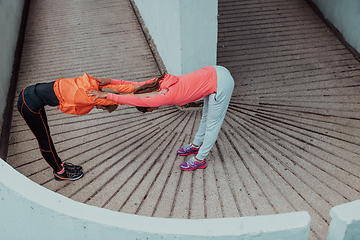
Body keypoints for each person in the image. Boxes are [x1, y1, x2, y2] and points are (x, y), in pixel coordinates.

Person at [87, 66, 234, 171]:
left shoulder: (162, 96)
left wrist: (106, 95)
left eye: (150, 109)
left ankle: (199, 160)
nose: (154, 109)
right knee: (206, 117)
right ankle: (196, 145)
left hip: (221, 84)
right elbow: (135, 86)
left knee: (212, 124)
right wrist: (108, 81)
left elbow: (133, 99)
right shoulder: (158, 84)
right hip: (214, 72)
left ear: (149, 105)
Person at [17, 73, 138, 181]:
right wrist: (150, 96)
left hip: (29, 93)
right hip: (28, 105)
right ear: (104, 104)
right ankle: (60, 172)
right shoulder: (92, 97)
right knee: (45, 140)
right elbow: (122, 100)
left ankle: (60, 164)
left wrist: (141, 86)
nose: (100, 108)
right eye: (103, 108)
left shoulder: (93, 86)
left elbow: (117, 89)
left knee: (46, 136)